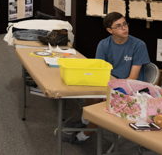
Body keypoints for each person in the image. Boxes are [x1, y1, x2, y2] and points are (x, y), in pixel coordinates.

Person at [64, 12, 150, 145]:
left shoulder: (139, 45)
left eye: (125, 24)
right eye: (119, 26)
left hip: (130, 88)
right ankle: (85, 120)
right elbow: (99, 70)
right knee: (91, 94)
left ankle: (83, 135)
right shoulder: (104, 44)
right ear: (110, 30)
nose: (124, 28)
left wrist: (111, 90)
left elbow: (132, 78)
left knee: (101, 104)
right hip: (109, 82)